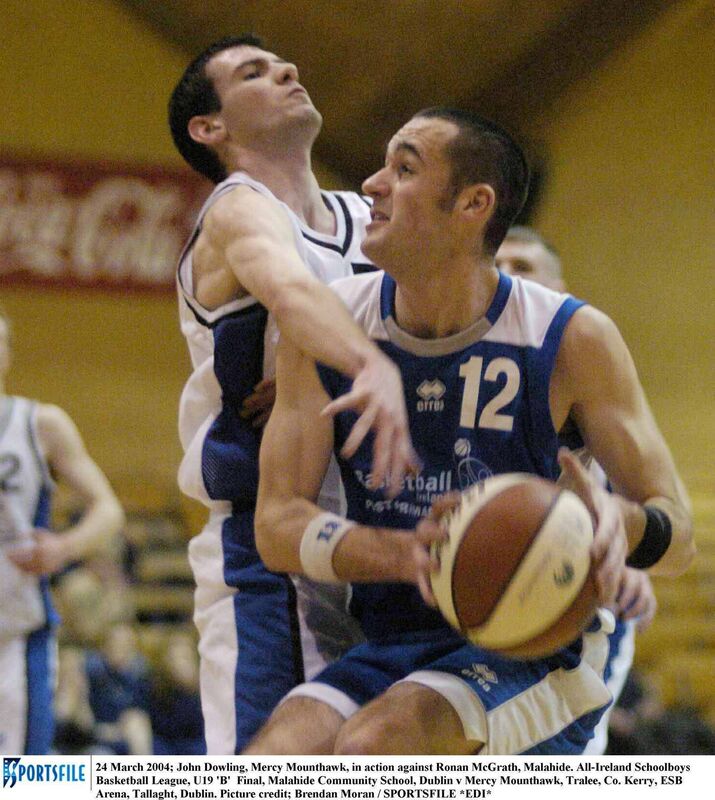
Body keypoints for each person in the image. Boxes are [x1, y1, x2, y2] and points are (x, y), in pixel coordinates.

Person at [246, 107, 694, 755]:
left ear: (472, 205)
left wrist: (615, 523)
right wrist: (397, 554)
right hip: (393, 641)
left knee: (377, 744)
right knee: (272, 763)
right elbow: (276, 525)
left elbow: (675, 537)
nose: (370, 183)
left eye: (403, 168)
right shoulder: (326, 325)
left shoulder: (571, 337)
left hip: (533, 645)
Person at [168, 35, 417, 753]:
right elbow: (290, 290)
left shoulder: (360, 216)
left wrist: (328, 358)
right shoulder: (235, 211)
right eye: (254, 72)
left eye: (283, 62)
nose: (288, 69)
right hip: (268, 559)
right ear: (209, 128)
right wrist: (362, 360)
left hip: (378, 540)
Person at [495, 225, 658, 754]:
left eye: (524, 268)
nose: (507, 280)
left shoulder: (582, 365)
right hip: (473, 593)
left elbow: (643, 498)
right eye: (498, 267)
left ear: (560, 292)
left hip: (574, 597)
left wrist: (632, 555)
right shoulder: (445, 357)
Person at [0, 310, 124, 754]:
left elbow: (108, 508)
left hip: (16, 634)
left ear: (7, 353)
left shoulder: (39, 425)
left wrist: (66, 546)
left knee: (20, 778)